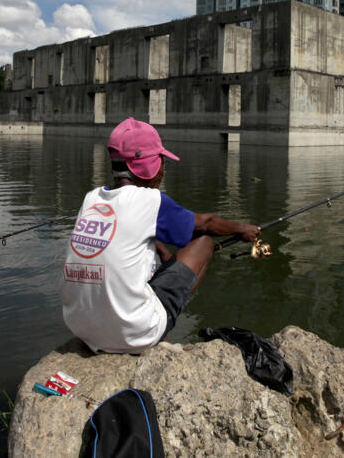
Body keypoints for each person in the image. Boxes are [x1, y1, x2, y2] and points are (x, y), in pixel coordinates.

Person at [59, 117, 260, 354]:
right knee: (204, 243)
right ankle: (158, 328)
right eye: (161, 162)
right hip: (133, 335)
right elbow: (206, 224)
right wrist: (243, 229)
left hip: (81, 328)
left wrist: (162, 252)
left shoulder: (91, 198)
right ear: (148, 166)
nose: (163, 170)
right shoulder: (150, 200)